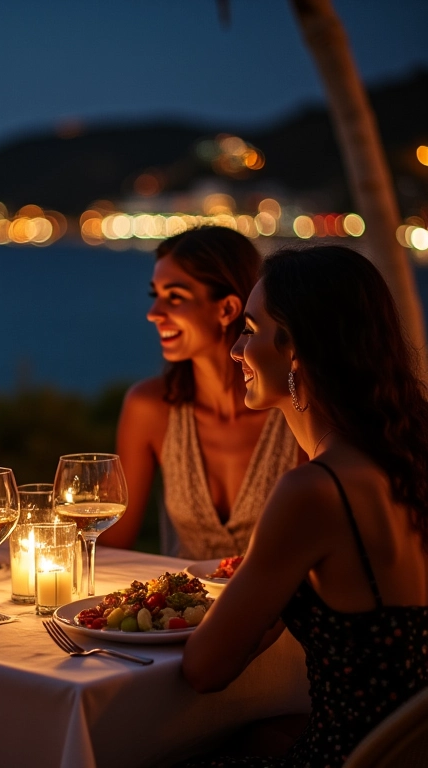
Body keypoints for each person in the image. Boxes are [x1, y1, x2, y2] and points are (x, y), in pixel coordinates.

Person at [181, 245, 428, 766]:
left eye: (249, 329)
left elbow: (205, 669)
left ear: (294, 348)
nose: (235, 350)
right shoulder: (408, 459)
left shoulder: (315, 491)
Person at [99, 227, 299, 559]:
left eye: (174, 297)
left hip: (284, 608)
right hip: (178, 609)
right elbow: (110, 544)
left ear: (228, 308)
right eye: (156, 295)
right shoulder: (149, 408)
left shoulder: (294, 410)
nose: (154, 313)